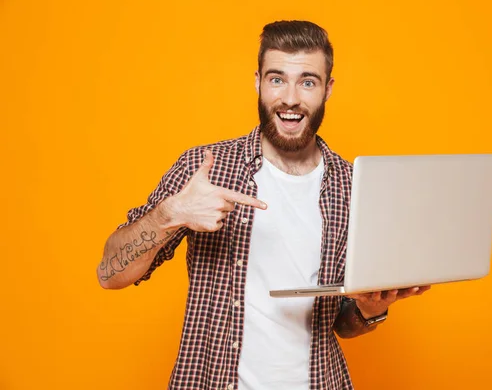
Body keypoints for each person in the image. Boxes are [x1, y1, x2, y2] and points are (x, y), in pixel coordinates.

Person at [97, 20, 430, 390]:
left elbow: (341, 324)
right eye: (277, 79)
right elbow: (110, 275)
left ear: (327, 89)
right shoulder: (206, 170)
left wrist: (370, 309)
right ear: (257, 81)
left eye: (307, 81)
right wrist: (170, 215)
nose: (290, 97)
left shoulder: (352, 186)